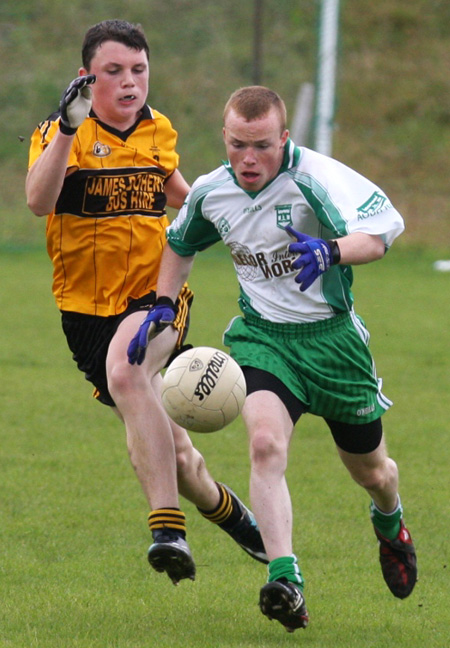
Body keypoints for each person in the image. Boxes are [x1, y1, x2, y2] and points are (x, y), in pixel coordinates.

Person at [127, 85, 418, 631]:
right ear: (225, 138)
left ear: (284, 138)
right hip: (264, 340)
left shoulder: (315, 178)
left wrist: (330, 249)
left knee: (372, 471)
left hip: (334, 344)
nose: (248, 158)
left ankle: (391, 521)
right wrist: (163, 306)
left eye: (261, 145)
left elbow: (378, 236)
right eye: (238, 144)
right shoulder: (213, 190)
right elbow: (180, 242)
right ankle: (286, 579)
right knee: (264, 445)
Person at [26, 20, 268, 587]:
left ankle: (168, 531)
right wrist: (68, 127)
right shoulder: (59, 134)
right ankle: (232, 515)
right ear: (87, 78)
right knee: (180, 457)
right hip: (84, 313)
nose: (130, 82)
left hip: (155, 296)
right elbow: (38, 201)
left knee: (128, 371)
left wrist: (253, 234)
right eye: (114, 72)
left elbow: (186, 203)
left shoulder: (158, 130)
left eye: (139, 70)